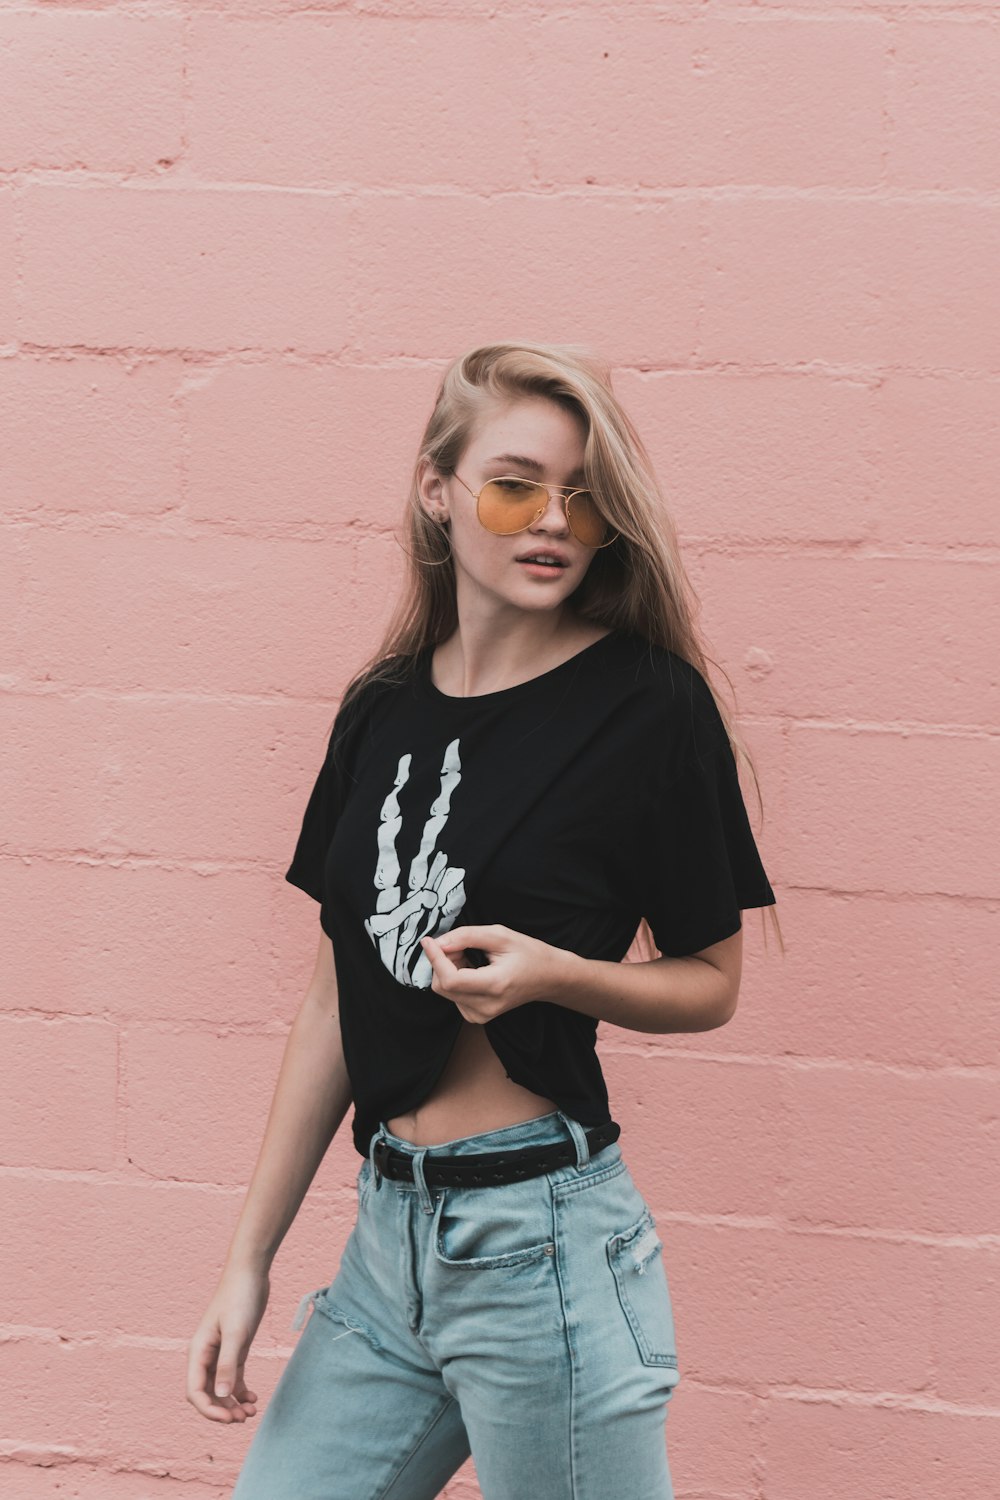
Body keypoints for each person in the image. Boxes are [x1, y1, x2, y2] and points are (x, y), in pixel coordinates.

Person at [186, 340, 780, 1500]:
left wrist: (558, 974)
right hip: (384, 1247)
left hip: (542, 1245)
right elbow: (329, 1006)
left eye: (585, 499)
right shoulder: (380, 710)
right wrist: (246, 1262)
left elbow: (710, 981)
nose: (550, 521)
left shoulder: (648, 708)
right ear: (438, 488)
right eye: (515, 485)